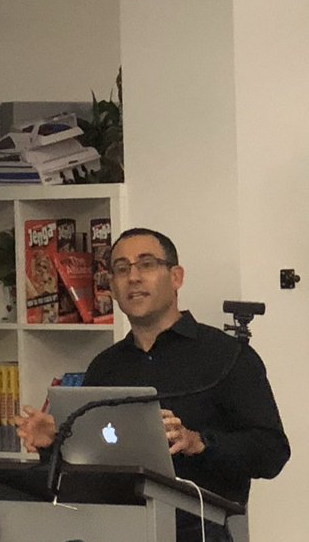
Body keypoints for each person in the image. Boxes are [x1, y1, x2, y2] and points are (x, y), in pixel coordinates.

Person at [15, 227, 289, 542]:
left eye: (146, 264)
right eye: (121, 269)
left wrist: (199, 442)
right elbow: (89, 465)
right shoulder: (105, 367)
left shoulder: (228, 355)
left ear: (176, 277)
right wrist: (53, 443)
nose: (133, 277)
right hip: (116, 530)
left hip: (201, 531)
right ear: (112, 288)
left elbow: (272, 452)